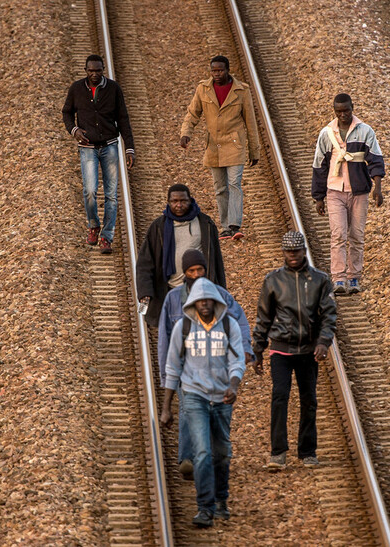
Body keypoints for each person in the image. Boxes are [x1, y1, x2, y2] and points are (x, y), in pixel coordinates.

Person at [158, 249, 259, 480]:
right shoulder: (173, 299)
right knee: (188, 410)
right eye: (191, 271)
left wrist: (245, 350)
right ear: (184, 273)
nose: (196, 274)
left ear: (206, 270)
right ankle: (187, 459)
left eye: (200, 269)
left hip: (216, 366)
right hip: (187, 368)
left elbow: (240, 323)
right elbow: (165, 338)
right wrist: (167, 375)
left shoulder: (221, 296)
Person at [160, 277, 246, 528]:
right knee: (201, 453)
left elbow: (237, 361)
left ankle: (221, 500)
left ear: (216, 301)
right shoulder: (184, 327)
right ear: (193, 303)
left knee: (221, 453)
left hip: (222, 397)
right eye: (200, 300)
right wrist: (166, 408)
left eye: (209, 300)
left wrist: (233, 386)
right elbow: (173, 367)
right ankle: (205, 508)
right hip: (194, 395)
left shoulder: (229, 326)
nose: (205, 304)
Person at [253, 231, 336, 469]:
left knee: (309, 400)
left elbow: (329, 315)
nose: (292, 255)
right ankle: (278, 453)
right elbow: (263, 317)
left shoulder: (320, 280)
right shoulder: (273, 280)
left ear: (303, 251)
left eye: (296, 251)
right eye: (288, 251)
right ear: (283, 252)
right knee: (280, 397)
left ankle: (307, 451)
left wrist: (323, 341)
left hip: (308, 351)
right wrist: (258, 349)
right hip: (281, 350)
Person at [180, 55, 261, 241]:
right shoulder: (203, 89)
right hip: (214, 146)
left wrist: (253, 150)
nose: (216, 74)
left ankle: (234, 225)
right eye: (213, 71)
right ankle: (225, 227)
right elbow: (192, 113)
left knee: (234, 184)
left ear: (227, 70)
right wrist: (186, 133)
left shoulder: (241, 90)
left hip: (235, 145)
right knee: (220, 188)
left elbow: (250, 122)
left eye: (220, 70)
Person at [311, 93, 385, 294]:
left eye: (346, 111)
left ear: (353, 108)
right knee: (338, 235)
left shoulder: (365, 131)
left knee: (357, 235)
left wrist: (377, 188)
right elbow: (319, 166)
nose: (343, 115)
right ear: (334, 111)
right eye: (339, 111)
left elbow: (376, 159)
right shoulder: (327, 134)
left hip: (359, 192)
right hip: (335, 191)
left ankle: (353, 278)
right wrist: (319, 197)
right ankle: (338, 279)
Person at [62, 54, 135, 254]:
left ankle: (106, 237)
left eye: (98, 70)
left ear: (103, 70)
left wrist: (129, 148)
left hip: (110, 146)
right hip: (87, 148)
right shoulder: (77, 89)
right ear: (85, 71)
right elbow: (66, 112)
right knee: (90, 191)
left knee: (111, 195)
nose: (94, 74)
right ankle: (93, 225)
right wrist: (74, 130)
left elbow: (123, 118)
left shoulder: (113, 89)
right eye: (91, 71)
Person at [136, 184, 225, 327]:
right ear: (168, 202)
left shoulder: (205, 223)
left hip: (200, 289)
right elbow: (145, 262)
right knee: (173, 331)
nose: (179, 205)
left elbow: (216, 260)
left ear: (190, 200)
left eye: (183, 201)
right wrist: (145, 291)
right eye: (174, 201)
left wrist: (221, 290)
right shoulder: (158, 227)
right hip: (170, 290)